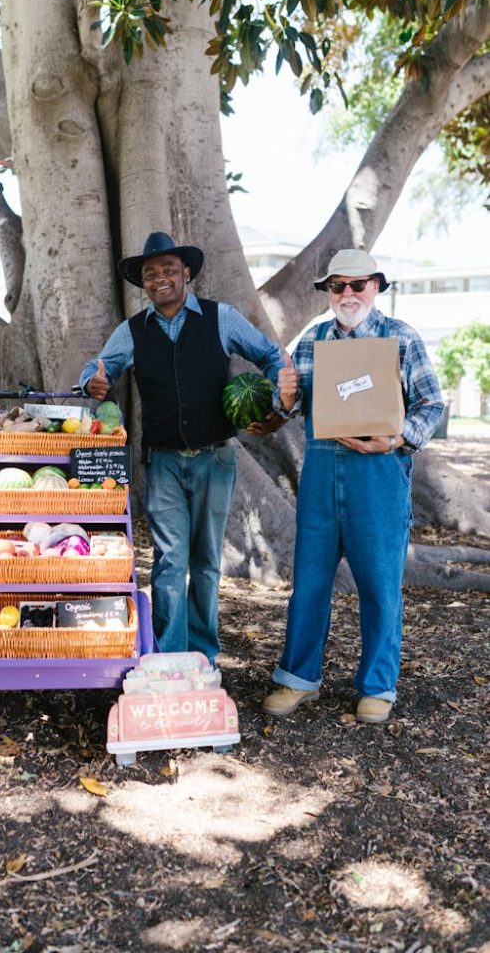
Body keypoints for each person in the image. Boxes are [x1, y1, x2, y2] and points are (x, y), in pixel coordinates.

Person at [79, 231, 297, 665]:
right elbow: (97, 368)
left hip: (216, 458)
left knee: (207, 562)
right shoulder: (132, 330)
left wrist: (276, 402)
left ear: (187, 274)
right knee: (169, 562)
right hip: (162, 463)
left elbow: (271, 355)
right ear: (143, 283)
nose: (160, 278)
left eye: (169, 270)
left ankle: (203, 658)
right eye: (150, 273)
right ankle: (168, 658)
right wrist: (93, 381)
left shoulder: (221, 318)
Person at [260, 248, 444, 724]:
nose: (347, 294)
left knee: (381, 587)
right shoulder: (313, 340)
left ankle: (378, 686)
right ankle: (298, 679)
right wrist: (282, 397)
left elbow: (431, 403)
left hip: (378, 478)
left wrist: (399, 438)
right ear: (327, 292)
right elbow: (290, 407)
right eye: (337, 285)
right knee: (309, 584)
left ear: (377, 287)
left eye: (357, 285)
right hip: (321, 479)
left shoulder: (400, 338)